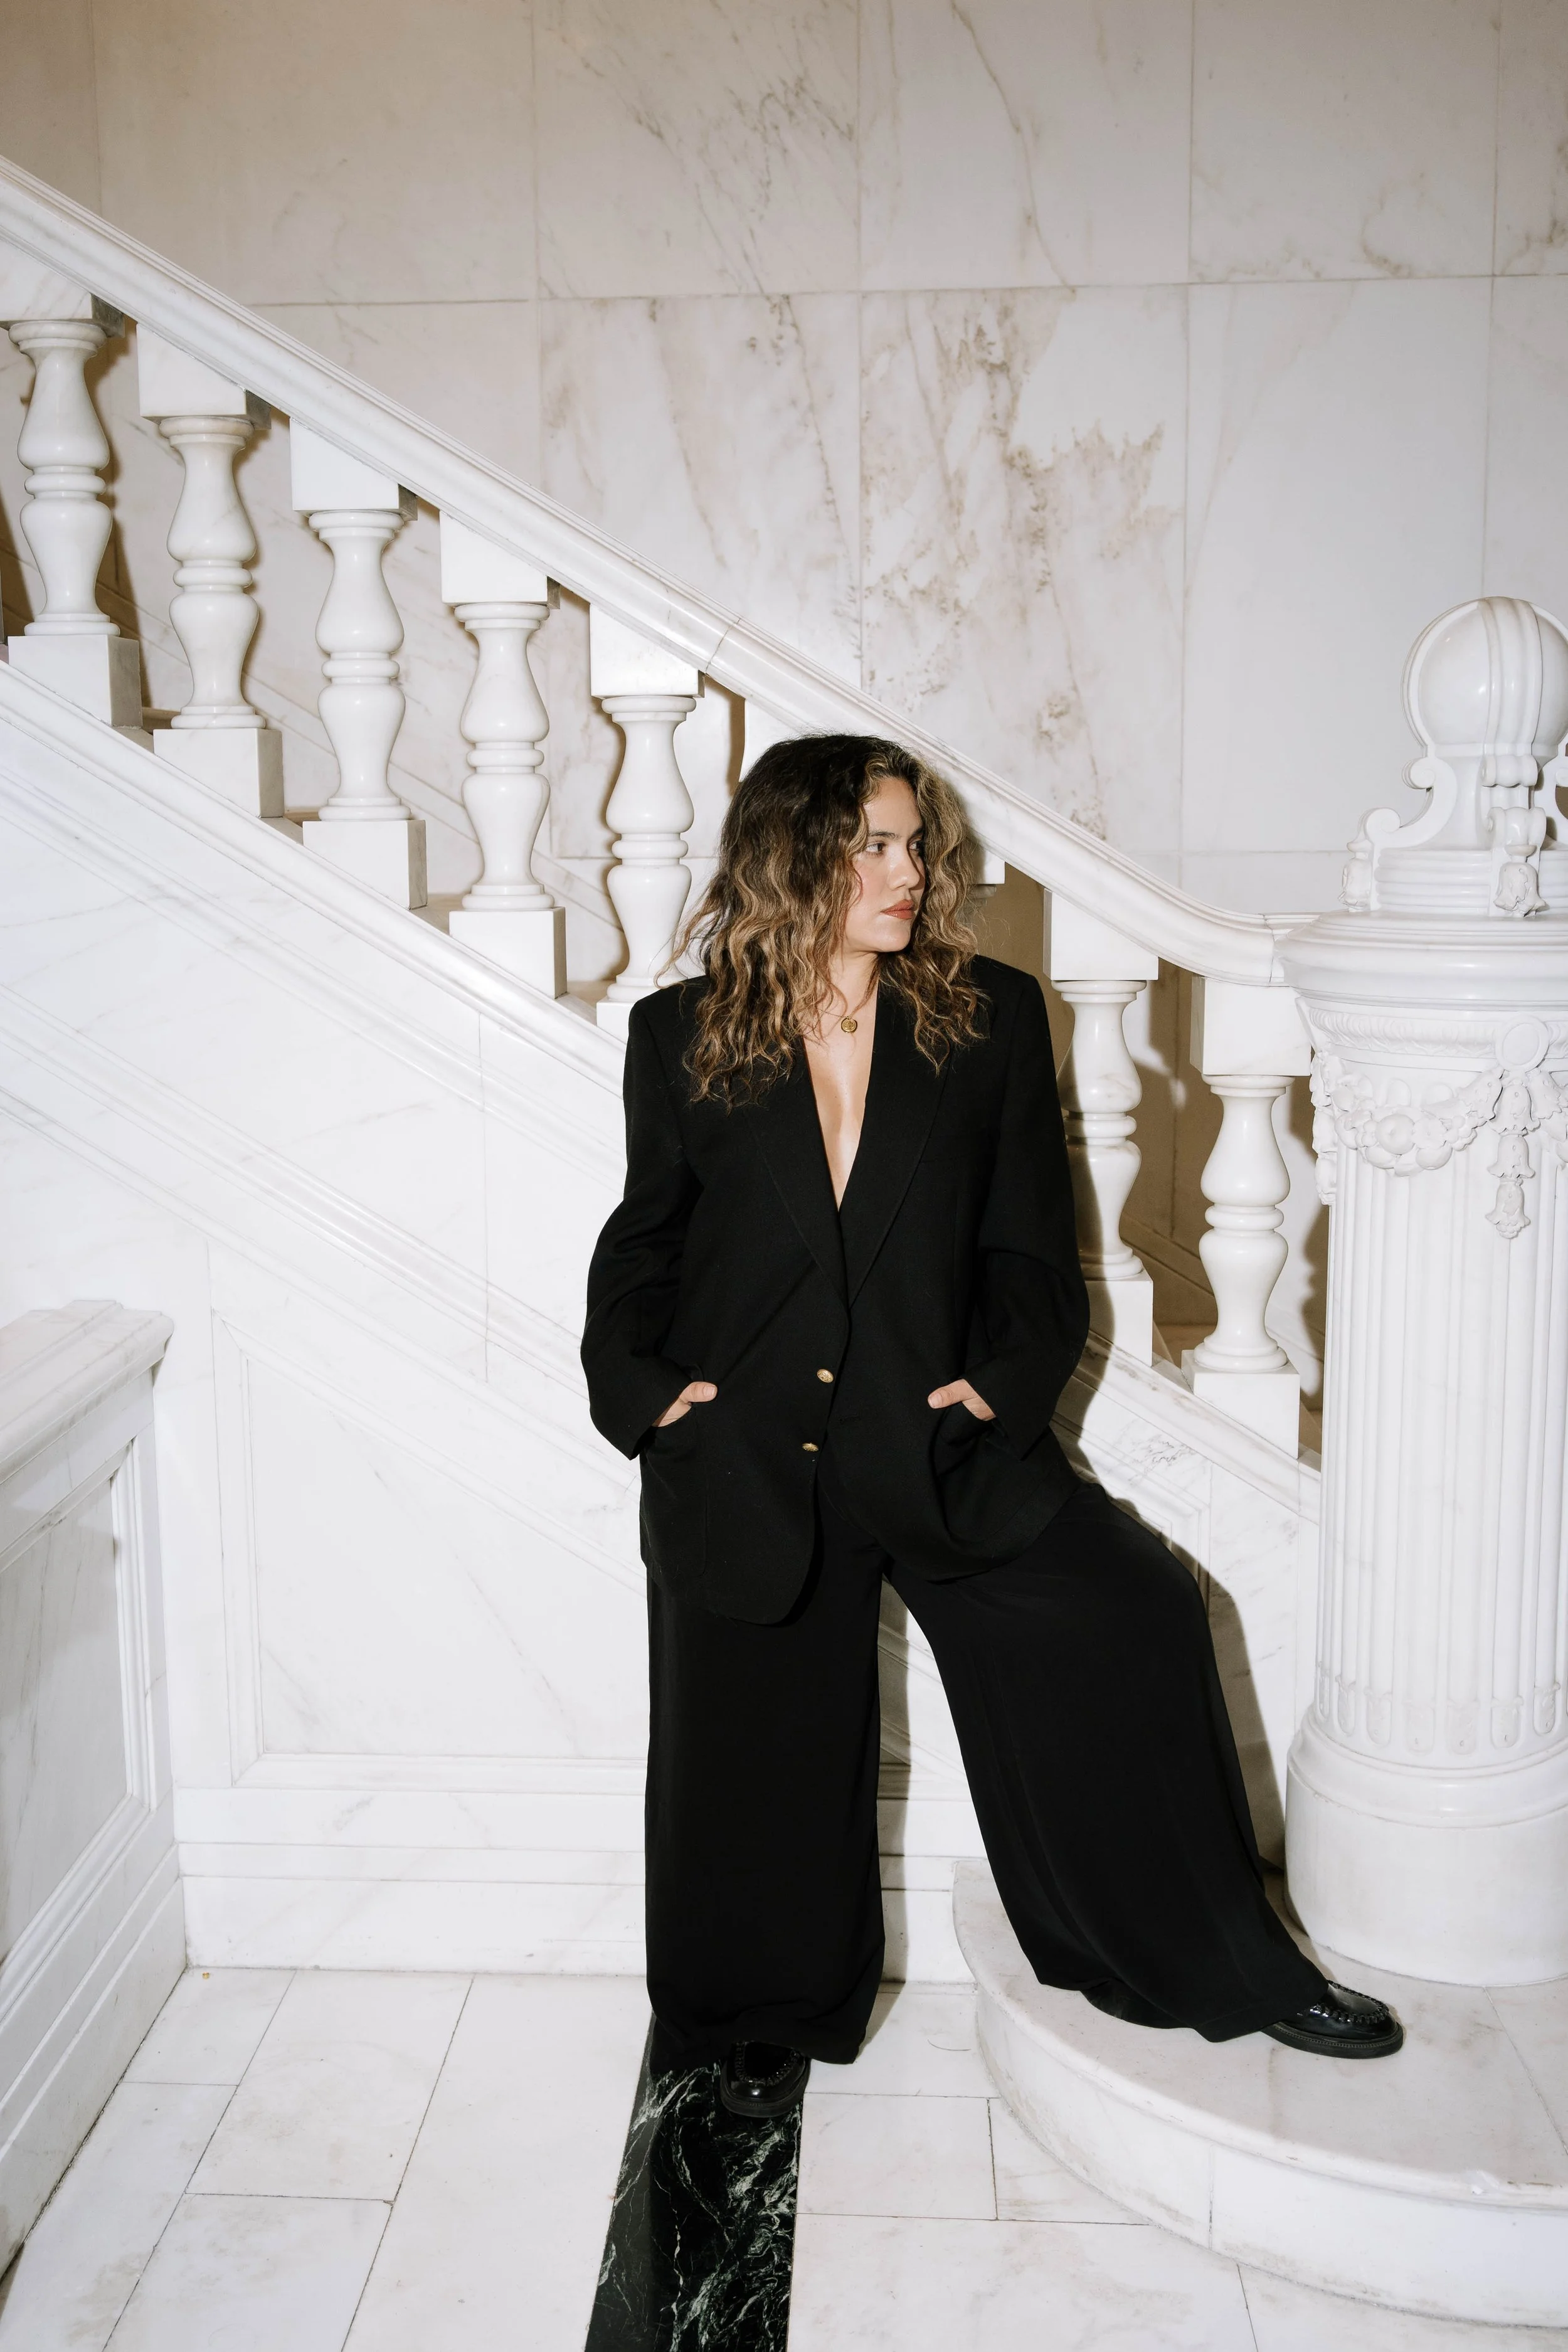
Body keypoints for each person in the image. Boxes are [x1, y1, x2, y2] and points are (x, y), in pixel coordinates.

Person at [582, 735, 1402, 2121]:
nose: (910, 871)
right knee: (753, 1751)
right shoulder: (682, 1032)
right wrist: (646, 1391)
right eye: (876, 845)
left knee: (1134, 1613)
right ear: (797, 854)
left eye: (915, 844)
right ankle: (753, 2014)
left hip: (938, 1442)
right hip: (748, 1447)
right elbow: (644, 1237)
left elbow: (1032, 1250)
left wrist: (1001, 1387)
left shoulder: (987, 1017)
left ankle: (1213, 1963)